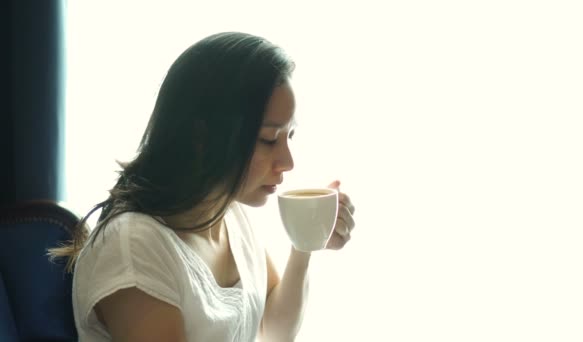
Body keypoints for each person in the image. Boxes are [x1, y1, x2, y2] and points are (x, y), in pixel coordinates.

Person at [51, 32, 356, 342]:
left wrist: (304, 243)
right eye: (268, 139)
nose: (287, 162)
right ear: (202, 138)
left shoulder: (229, 216)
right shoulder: (133, 248)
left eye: (288, 137)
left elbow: (275, 330)